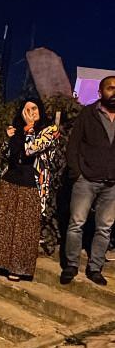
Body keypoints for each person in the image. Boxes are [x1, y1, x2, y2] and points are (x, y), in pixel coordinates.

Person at [0, 99, 59, 281]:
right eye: (27, 109)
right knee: (3, 224)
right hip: (10, 180)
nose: (31, 112)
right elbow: (6, 154)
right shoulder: (15, 129)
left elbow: (31, 149)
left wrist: (29, 129)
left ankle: (18, 267)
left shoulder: (50, 130)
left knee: (25, 227)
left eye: (35, 108)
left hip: (32, 184)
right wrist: (10, 138)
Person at [61, 76, 115, 285]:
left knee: (104, 228)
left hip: (112, 184)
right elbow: (73, 145)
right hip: (86, 180)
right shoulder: (88, 114)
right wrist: (77, 173)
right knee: (76, 224)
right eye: (110, 88)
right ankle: (71, 265)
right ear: (101, 93)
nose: (114, 92)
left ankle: (95, 268)